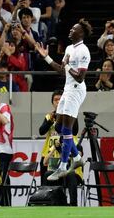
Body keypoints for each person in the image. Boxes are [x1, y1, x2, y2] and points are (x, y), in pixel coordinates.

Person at [35, 18, 92, 181]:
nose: (70, 30)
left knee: (67, 129)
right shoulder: (68, 48)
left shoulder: (84, 51)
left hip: (76, 90)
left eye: (74, 28)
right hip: (67, 89)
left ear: (81, 33)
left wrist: (67, 66)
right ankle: (77, 157)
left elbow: (80, 77)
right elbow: (62, 71)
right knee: (59, 127)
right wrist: (46, 58)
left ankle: (63, 165)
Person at [38, 90, 79, 183]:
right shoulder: (49, 116)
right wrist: (50, 121)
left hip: (64, 151)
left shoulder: (70, 115)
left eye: (60, 99)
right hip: (49, 153)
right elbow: (41, 131)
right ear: (52, 103)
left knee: (64, 180)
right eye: (55, 100)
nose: (57, 102)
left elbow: (75, 132)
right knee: (44, 179)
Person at [42, 135, 83, 206]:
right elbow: (45, 162)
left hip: (74, 175)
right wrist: (54, 148)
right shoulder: (56, 147)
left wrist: (64, 151)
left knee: (70, 175)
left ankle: (73, 203)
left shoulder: (77, 145)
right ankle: (48, 201)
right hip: (59, 175)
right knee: (47, 174)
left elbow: (78, 156)